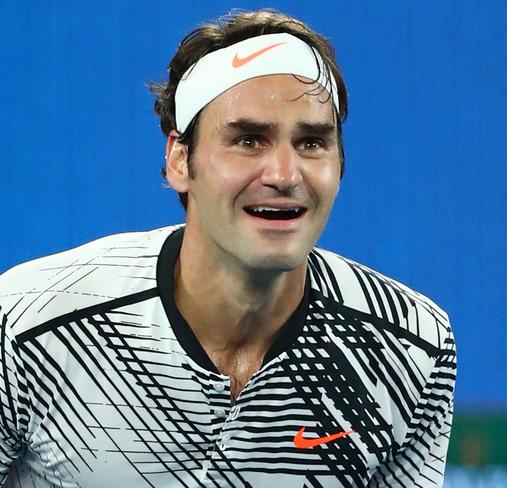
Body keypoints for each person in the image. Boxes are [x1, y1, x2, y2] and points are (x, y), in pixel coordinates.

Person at [0, 9, 456, 488]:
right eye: (248, 140)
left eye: (312, 143)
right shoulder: (29, 323)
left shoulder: (409, 349)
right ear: (180, 159)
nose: (284, 174)